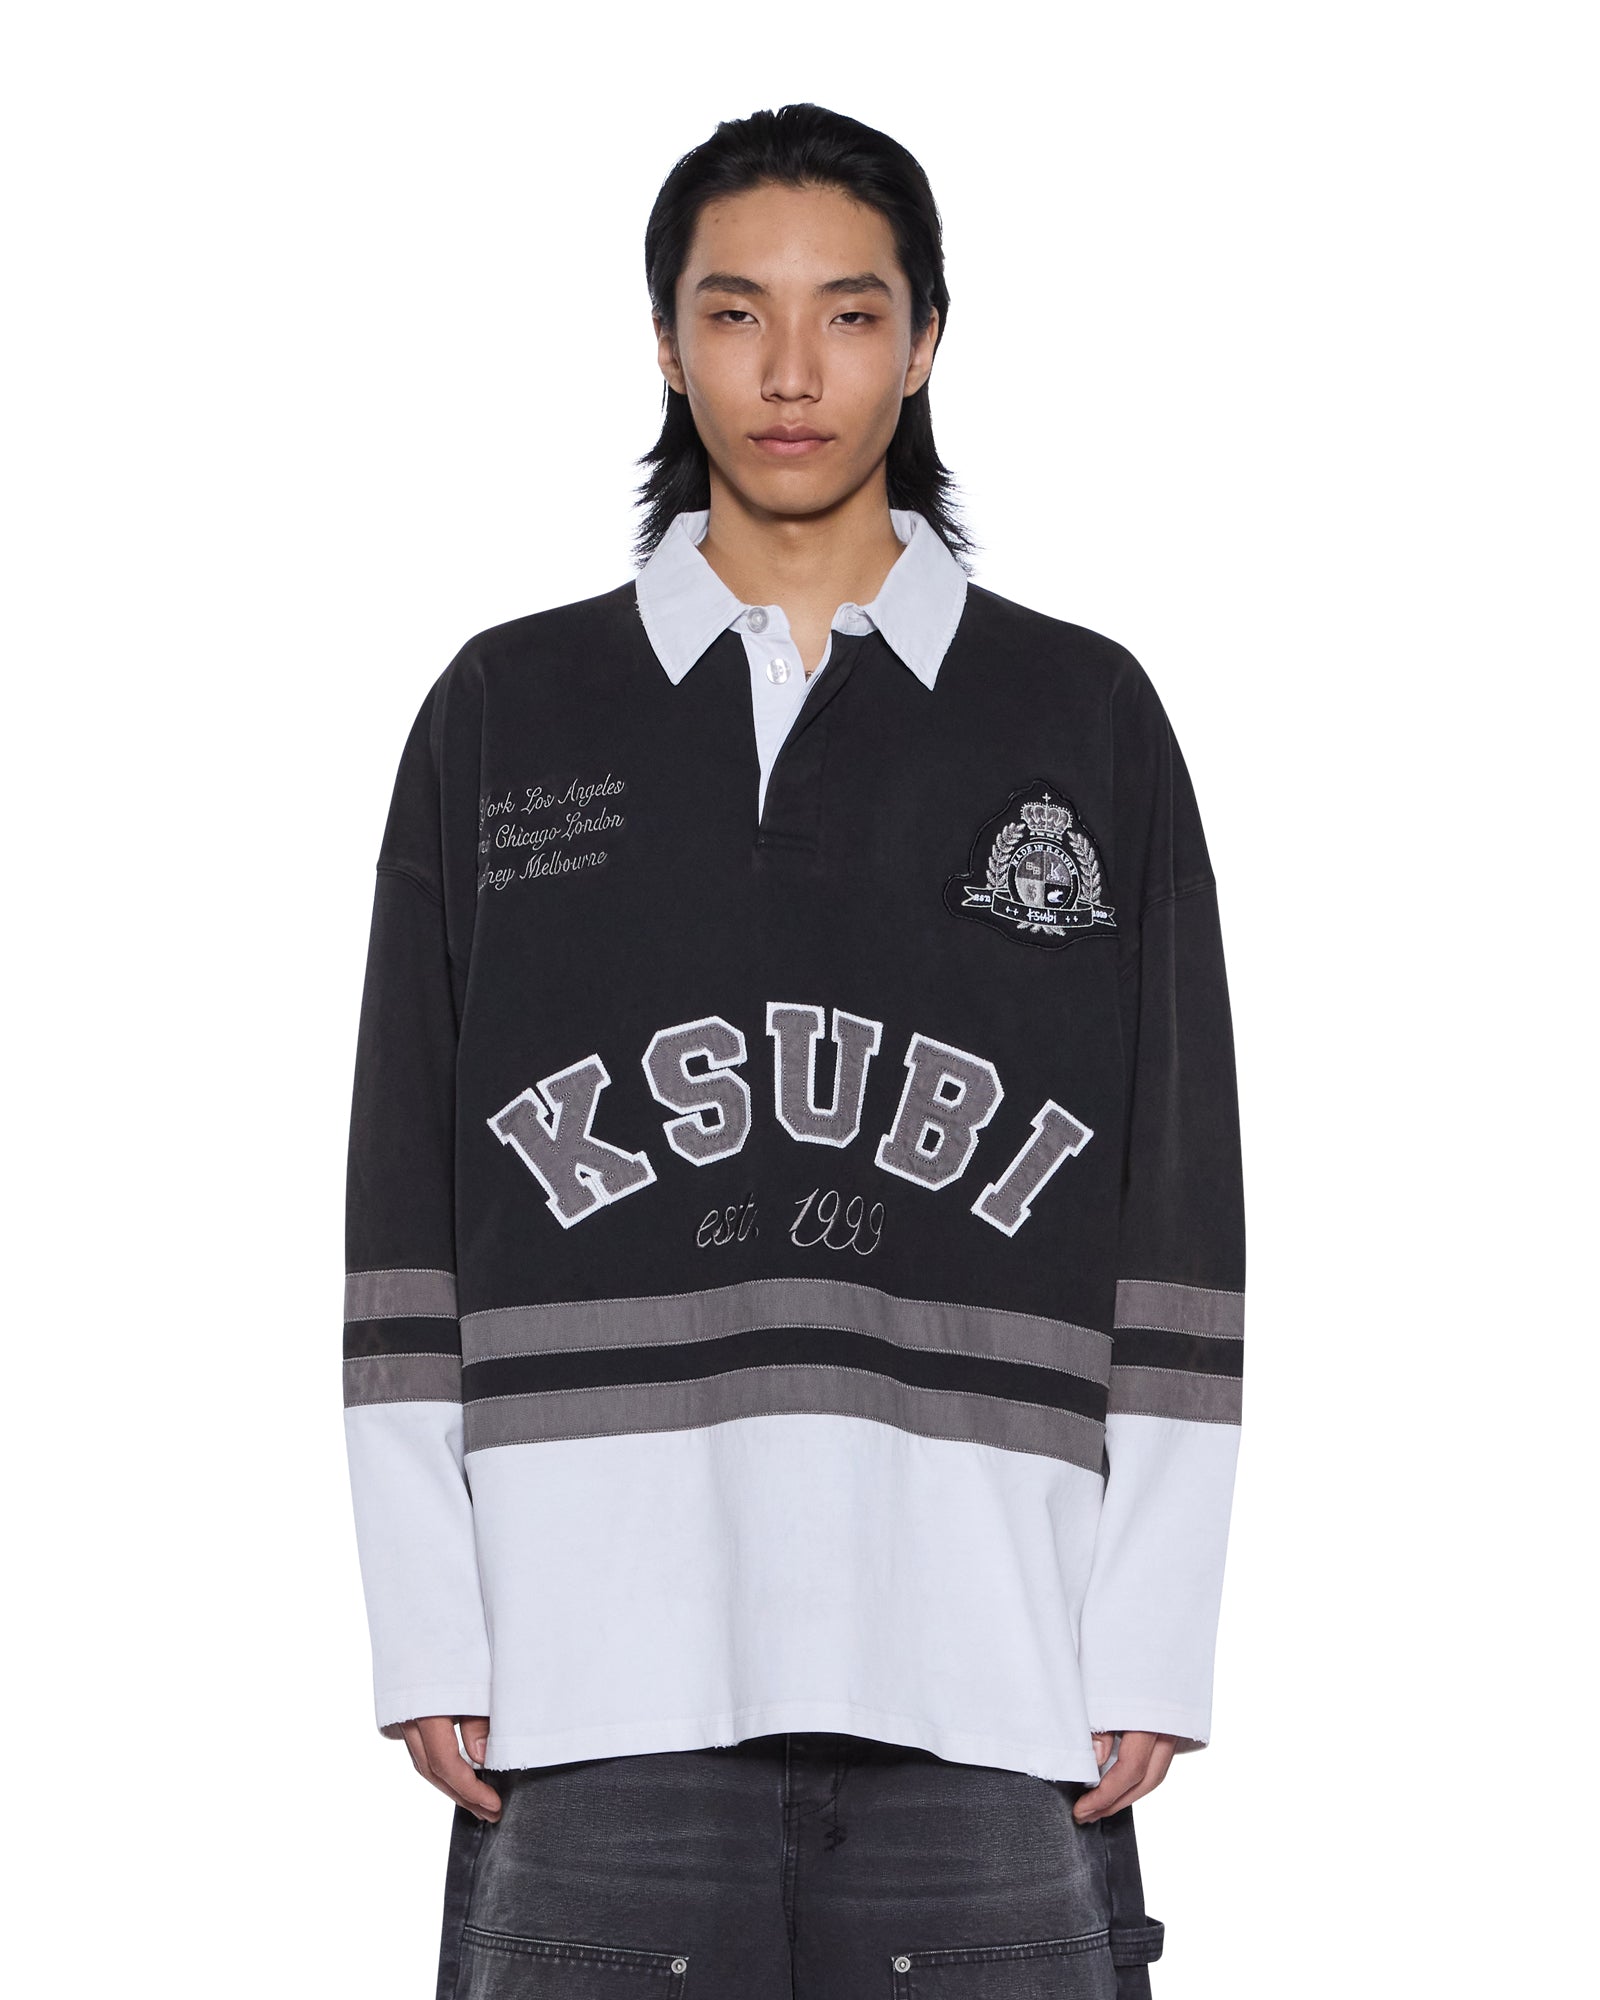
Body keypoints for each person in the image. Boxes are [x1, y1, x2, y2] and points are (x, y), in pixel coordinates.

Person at [341, 102, 1244, 1999]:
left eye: (849, 314)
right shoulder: (508, 712)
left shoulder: (1080, 714)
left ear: (924, 344)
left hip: (991, 1670)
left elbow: (1179, 1189)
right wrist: (429, 1623)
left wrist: (1150, 1636)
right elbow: (404, 1188)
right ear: (667, 345)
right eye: (736, 312)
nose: (791, 371)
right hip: (588, 1678)